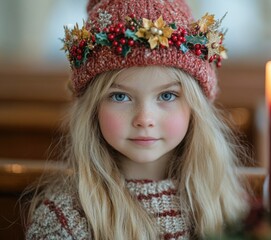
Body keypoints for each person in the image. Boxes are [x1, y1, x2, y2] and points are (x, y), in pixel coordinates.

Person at [25, 0, 250, 239]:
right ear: (93, 107)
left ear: (196, 107)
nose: (144, 119)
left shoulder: (226, 204)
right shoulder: (66, 218)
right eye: (120, 96)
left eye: (167, 95)